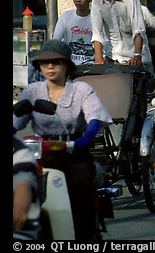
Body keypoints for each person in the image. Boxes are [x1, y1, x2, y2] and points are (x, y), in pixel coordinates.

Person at [13, 40, 113, 240]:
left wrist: (85, 139)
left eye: (56, 62)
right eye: (45, 62)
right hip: (41, 154)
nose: (50, 67)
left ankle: (84, 236)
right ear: (39, 67)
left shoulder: (81, 90)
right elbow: (16, 121)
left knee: (79, 184)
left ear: (67, 65)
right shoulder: (32, 92)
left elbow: (94, 116)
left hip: (74, 152)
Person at [90, 0, 154, 74]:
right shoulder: (97, 2)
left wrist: (137, 56)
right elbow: (97, 33)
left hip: (136, 58)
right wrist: (99, 56)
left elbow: (138, 29)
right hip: (113, 58)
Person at [52, 0, 96, 65]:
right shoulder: (65, 16)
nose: (78, 1)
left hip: (91, 64)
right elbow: (56, 41)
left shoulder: (96, 17)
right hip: (69, 64)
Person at [13, 136, 41, 240]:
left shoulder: (19, 150)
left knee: (80, 181)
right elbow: (18, 123)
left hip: (18, 231)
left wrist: (20, 208)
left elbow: (23, 183)